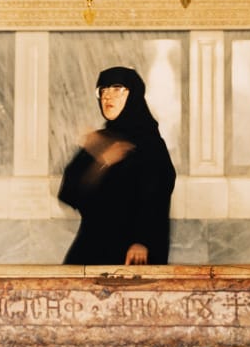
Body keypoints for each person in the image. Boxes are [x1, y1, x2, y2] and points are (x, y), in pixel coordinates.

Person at [58, 66, 177, 265]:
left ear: (134, 94)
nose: (107, 97)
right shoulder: (99, 141)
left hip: (133, 254)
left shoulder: (149, 143)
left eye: (117, 89)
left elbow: (156, 197)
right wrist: (102, 162)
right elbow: (68, 193)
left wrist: (142, 240)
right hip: (92, 249)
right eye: (102, 90)